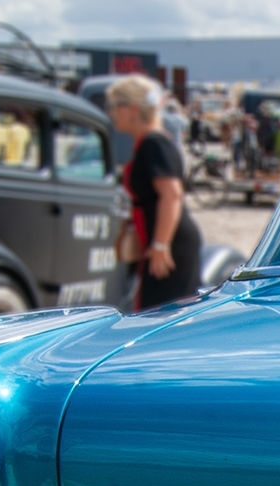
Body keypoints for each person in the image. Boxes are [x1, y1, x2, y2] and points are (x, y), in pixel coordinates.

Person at [107, 74, 203, 310]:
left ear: (131, 108)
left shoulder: (154, 143)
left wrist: (161, 245)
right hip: (163, 239)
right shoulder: (150, 142)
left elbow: (171, 194)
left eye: (114, 106)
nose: (111, 113)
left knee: (161, 314)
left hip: (169, 243)